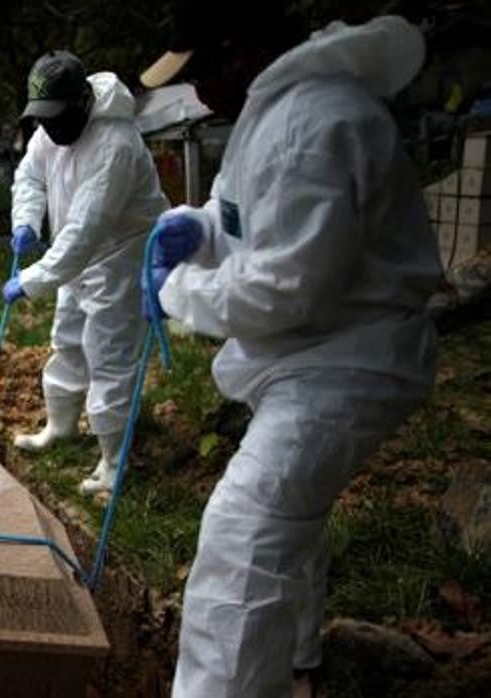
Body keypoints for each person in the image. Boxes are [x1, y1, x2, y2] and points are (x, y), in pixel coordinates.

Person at [139, 4, 441, 696]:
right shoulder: (273, 111)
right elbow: (242, 215)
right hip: (313, 353)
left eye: (205, 71)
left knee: (243, 539)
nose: (201, 92)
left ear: (240, 50)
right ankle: (298, 661)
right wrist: (198, 227)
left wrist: (179, 291)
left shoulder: (315, 124)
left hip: (347, 362)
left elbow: (287, 286)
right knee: (289, 518)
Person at [5, 51, 169, 495]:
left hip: (120, 257)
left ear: (81, 102)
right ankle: (61, 427)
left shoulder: (114, 143)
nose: (48, 126)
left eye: (54, 115)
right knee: (68, 338)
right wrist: (26, 219)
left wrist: (33, 278)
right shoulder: (50, 129)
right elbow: (29, 177)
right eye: (41, 117)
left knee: (110, 356)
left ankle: (114, 461)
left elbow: (87, 229)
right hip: (76, 258)